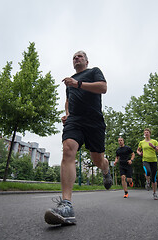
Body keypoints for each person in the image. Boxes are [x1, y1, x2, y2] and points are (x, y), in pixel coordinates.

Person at [44, 51, 112, 225]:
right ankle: (66, 205)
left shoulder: (93, 72)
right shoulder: (69, 82)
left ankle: (105, 168)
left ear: (87, 61)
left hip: (94, 121)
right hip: (75, 120)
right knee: (68, 150)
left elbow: (103, 88)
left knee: (97, 160)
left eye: (80, 56)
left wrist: (78, 84)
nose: (77, 58)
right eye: (74, 57)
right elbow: (68, 100)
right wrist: (67, 113)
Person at [137, 128, 158, 200]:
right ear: (144, 134)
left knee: (154, 178)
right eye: (145, 132)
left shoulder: (154, 141)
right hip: (145, 160)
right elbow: (138, 150)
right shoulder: (141, 142)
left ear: (150, 133)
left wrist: (154, 147)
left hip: (154, 161)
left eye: (147, 132)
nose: (146, 133)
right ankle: (147, 181)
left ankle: (154, 193)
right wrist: (139, 153)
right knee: (148, 171)